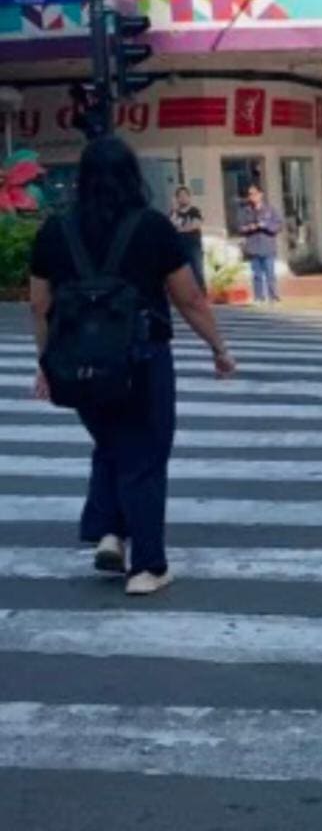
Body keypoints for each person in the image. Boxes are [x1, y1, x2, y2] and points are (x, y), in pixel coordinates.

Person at [29, 137, 236, 596]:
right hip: (143, 360)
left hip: (76, 363)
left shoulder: (55, 231)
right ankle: (147, 566)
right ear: (132, 177)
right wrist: (219, 348)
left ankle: (109, 531)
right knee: (145, 455)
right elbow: (189, 298)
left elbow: (39, 305)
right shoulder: (152, 227)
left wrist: (45, 362)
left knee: (112, 442)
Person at [239, 183, 282, 303]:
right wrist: (249, 227)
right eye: (250, 194)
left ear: (261, 194)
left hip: (267, 246)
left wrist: (265, 225)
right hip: (253, 247)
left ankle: (273, 296)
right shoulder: (246, 211)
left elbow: (278, 225)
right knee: (257, 275)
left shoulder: (270, 209)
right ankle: (259, 297)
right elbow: (240, 227)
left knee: (270, 273)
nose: (252, 196)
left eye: (254, 194)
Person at [170, 185, 205, 292]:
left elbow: (195, 225)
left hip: (193, 247)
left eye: (185, 195)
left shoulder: (195, 211)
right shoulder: (174, 213)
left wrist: (180, 229)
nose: (183, 198)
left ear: (189, 197)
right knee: (183, 274)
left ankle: (201, 293)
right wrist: (174, 211)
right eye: (180, 196)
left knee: (197, 271)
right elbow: (170, 226)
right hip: (180, 248)